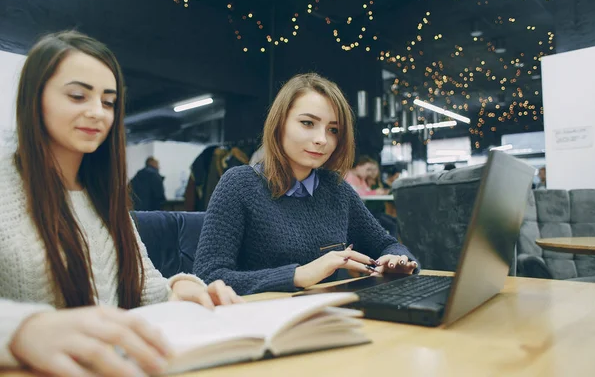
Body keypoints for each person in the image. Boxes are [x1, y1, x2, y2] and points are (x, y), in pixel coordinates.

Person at [0, 31, 242, 376]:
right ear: (34, 98)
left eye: (108, 101)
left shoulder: (103, 196)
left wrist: (184, 288)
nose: (97, 112)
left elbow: (147, 290)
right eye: (78, 95)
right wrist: (23, 329)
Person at [193, 73, 419, 296]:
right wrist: (297, 275)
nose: (322, 139)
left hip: (323, 317)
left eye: (333, 130)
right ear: (279, 124)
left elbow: (385, 243)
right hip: (259, 321)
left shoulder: (336, 190)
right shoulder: (239, 184)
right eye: (307, 123)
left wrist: (397, 259)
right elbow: (208, 276)